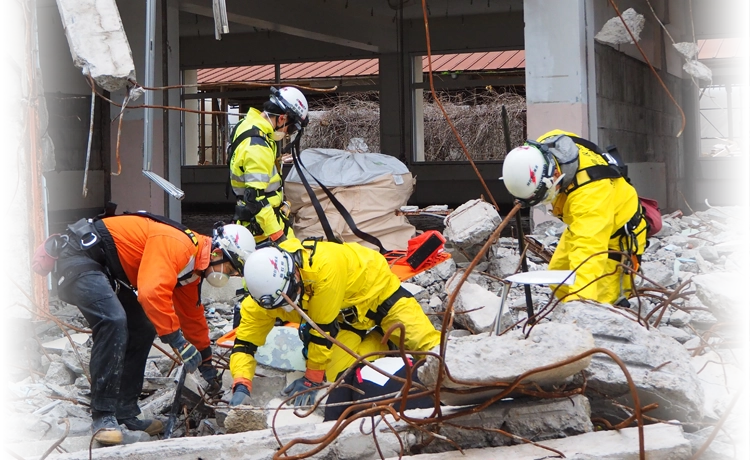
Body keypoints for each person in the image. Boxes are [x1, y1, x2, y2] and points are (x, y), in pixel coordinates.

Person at [38, 213, 254, 445]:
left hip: (105, 268)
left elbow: (192, 317)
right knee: (113, 320)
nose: (229, 275)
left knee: (142, 326)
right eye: (230, 269)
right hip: (78, 256)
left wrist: (206, 362)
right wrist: (178, 342)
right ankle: (103, 415)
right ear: (217, 253)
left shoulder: (192, 271)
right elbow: (151, 293)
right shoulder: (179, 246)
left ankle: (125, 411)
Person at [227, 238, 441, 414]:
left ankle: (462, 380)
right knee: (339, 377)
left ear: (294, 274)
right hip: (346, 318)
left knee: (429, 349)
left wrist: (311, 380)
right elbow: (244, 345)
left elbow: (321, 333)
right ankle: (383, 342)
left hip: (379, 296)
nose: (291, 304)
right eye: (283, 303)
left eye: (291, 296)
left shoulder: (324, 267)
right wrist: (241, 383)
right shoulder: (259, 302)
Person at [501, 129, 647, 306]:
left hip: (616, 235)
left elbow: (589, 255)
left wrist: (577, 309)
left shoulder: (590, 196)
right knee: (558, 278)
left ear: (555, 176)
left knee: (601, 299)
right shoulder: (547, 146)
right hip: (584, 221)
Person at [228, 86, 309, 245]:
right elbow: (255, 199)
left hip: (260, 221)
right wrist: (279, 237)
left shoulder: (247, 125)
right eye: (290, 128)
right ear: (282, 119)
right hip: (263, 229)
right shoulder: (258, 147)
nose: (287, 133)